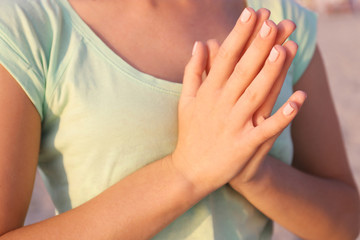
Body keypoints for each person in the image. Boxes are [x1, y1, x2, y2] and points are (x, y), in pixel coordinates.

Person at [0, 0, 358, 239]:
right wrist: (186, 172)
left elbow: (344, 220)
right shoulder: (29, 27)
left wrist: (255, 174)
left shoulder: (277, 16)